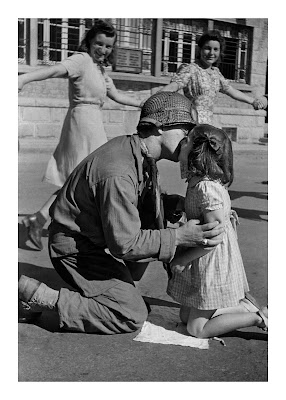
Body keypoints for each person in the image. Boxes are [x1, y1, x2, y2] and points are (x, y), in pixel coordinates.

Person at [18, 92, 226, 335]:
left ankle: (114, 293)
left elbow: (138, 200)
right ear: (159, 127)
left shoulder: (137, 151)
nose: (188, 140)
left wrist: (174, 204)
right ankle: (37, 296)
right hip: (75, 249)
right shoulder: (118, 170)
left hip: (92, 239)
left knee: (153, 224)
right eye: (185, 131)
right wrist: (179, 237)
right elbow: (125, 245)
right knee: (131, 314)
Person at [18, 19, 143, 250]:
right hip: (81, 123)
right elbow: (54, 70)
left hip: (94, 124)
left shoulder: (100, 69)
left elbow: (117, 95)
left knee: (82, 180)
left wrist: (143, 104)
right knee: (83, 178)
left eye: (108, 46)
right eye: (99, 44)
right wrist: (23, 78)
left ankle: (39, 219)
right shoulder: (82, 60)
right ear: (89, 41)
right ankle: (51, 222)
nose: (103, 49)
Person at [167, 124, 268, 339]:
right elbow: (210, 210)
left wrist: (183, 259)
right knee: (186, 317)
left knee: (196, 329)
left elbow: (215, 236)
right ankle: (243, 307)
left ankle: (258, 317)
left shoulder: (206, 187)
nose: (181, 144)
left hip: (211, 258)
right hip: (205, 254)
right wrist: (184, 206)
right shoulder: (199, 181)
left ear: (196, 152)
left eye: (187, 141)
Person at [160, 30, 267, 124]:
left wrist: (253, 101)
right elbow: (174, 86)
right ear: (200, 49)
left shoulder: (216, 73)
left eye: (215, 49)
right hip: (192, 124)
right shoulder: (191, 69)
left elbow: (231, 90)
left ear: (220, 52)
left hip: (209, 125)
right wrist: (155, 98)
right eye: (207, 48)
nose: (211, 53)